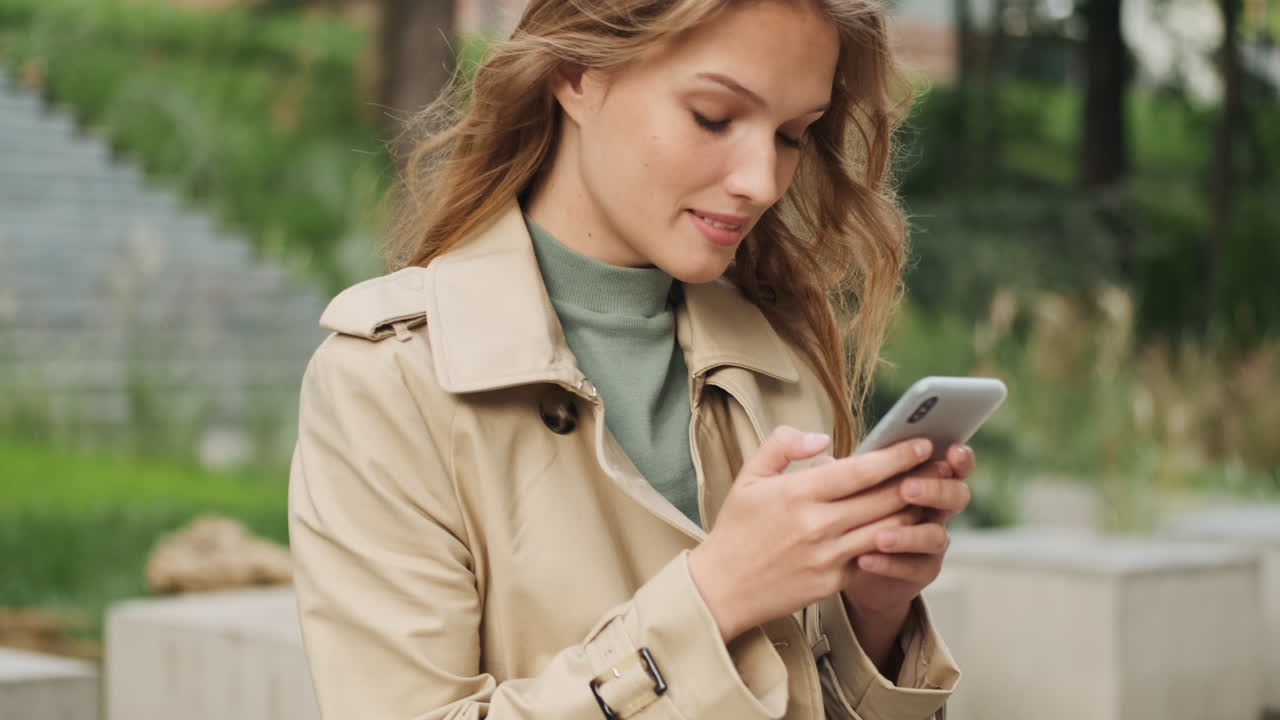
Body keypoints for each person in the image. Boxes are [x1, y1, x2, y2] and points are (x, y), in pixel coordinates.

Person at [287, 1, 976, 718]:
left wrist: (875, 616)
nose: (763, 180)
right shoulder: (389, 382)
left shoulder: (776, 356)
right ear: (576, 72)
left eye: (792, 135)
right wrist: (715, 596)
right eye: (714, 116)